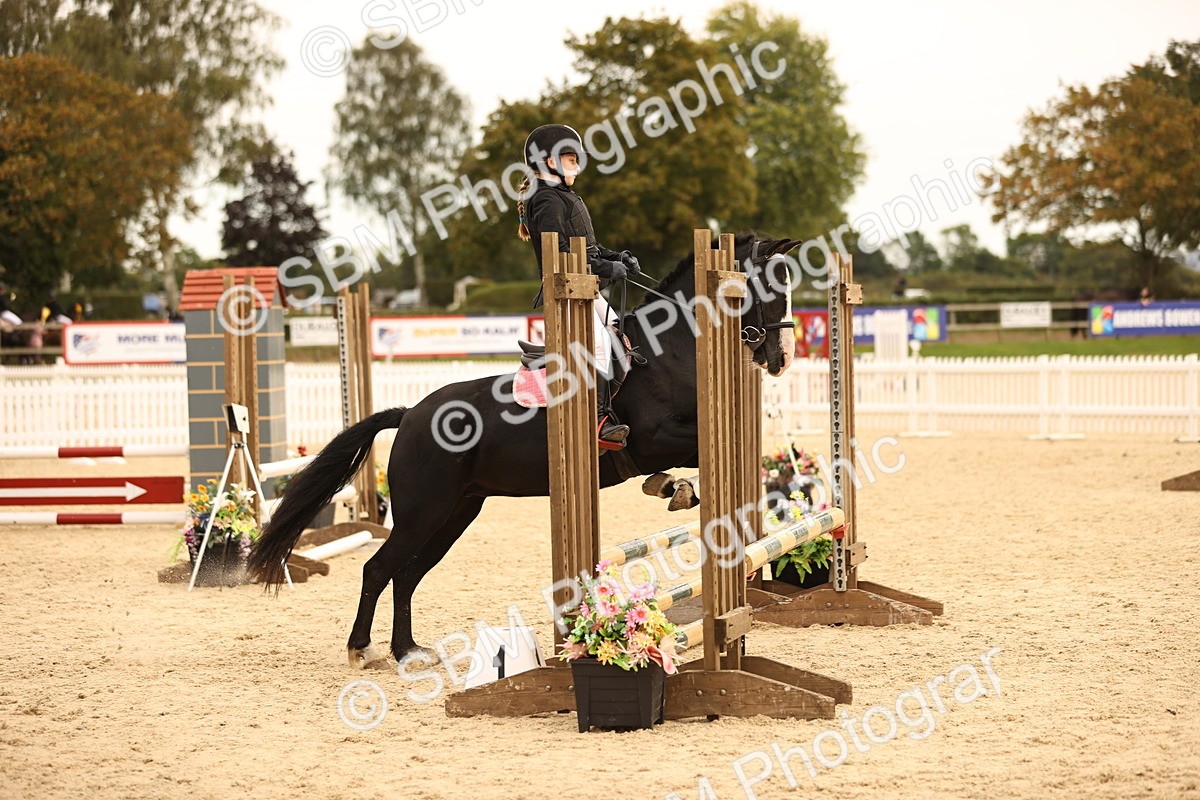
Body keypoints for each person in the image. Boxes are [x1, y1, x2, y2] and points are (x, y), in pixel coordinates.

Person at [516, 123, 638, 447]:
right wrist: (604, 267)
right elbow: (559, 253)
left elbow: (587, 248)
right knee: (598, 346)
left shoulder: (563, 197)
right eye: (572, 161)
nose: (578, 168)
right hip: (565, 292)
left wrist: (619, 258)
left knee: (620, 335)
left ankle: (612, 406)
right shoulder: (546, 201)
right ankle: (596, 422)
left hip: (583, 288)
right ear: (551, 163)